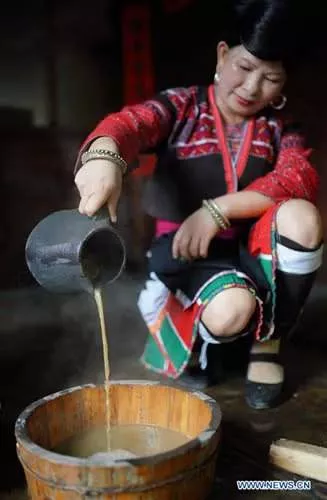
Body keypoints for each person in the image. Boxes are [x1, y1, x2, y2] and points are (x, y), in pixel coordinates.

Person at [73, 0, 323, 409]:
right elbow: (133, 123)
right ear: (223, 55)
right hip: (185, 255)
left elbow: (299, 177)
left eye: (271, 78)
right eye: (244, 69)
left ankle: (268, 344)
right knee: (231, 310)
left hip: (250, 251)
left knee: (303, 216)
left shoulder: (280, 128)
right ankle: (184, 327)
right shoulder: (183, 106)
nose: (251, 89)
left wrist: (216, 210)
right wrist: (105, 155)